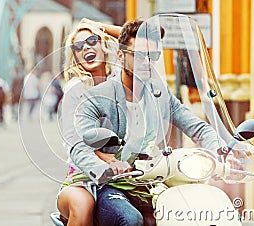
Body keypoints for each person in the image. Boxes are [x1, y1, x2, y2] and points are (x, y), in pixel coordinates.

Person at [71, 19, 226, 226]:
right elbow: (79, 146)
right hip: (112, 184)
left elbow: (196, 127)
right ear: (120, 56)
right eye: (138, 55)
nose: (146, 61)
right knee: (131, 220)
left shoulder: (159, 94)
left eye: (153, 56)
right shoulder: (97, 97)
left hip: (151, 181)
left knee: (191, 212)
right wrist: (105, 167)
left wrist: (223, 150)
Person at [56, 20, 121, 225]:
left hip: (124, 175)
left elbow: (145, 38)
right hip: (82, 176)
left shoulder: (120, 82)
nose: (86, 47)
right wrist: (105, 158)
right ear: (75, 57)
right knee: (83, 205)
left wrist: (99, 26)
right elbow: (73, 141)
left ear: (104, 45)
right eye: (78, 46)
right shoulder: (75, 89)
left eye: (92, 40)